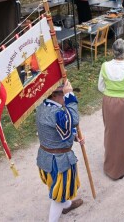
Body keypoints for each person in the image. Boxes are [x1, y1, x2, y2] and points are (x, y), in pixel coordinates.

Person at [36, 80, 84, 222]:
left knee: (58, 187)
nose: (67, 98)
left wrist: (74, 136)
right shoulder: (56, 112)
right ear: (56, 96)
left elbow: (60, 129)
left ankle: (67, 205)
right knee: (59, 193)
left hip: (46, 157)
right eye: (65, 95)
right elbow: (74, 120)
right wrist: (70, 97)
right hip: (59, 161)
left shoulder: (41, 106)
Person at [98, 39, 124, 180]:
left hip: (109, 102)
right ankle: (120, 168)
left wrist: (110, 93)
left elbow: (101, 87)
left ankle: (109, 165)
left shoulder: (104, 66)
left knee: (110, 132)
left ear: (113, 52)